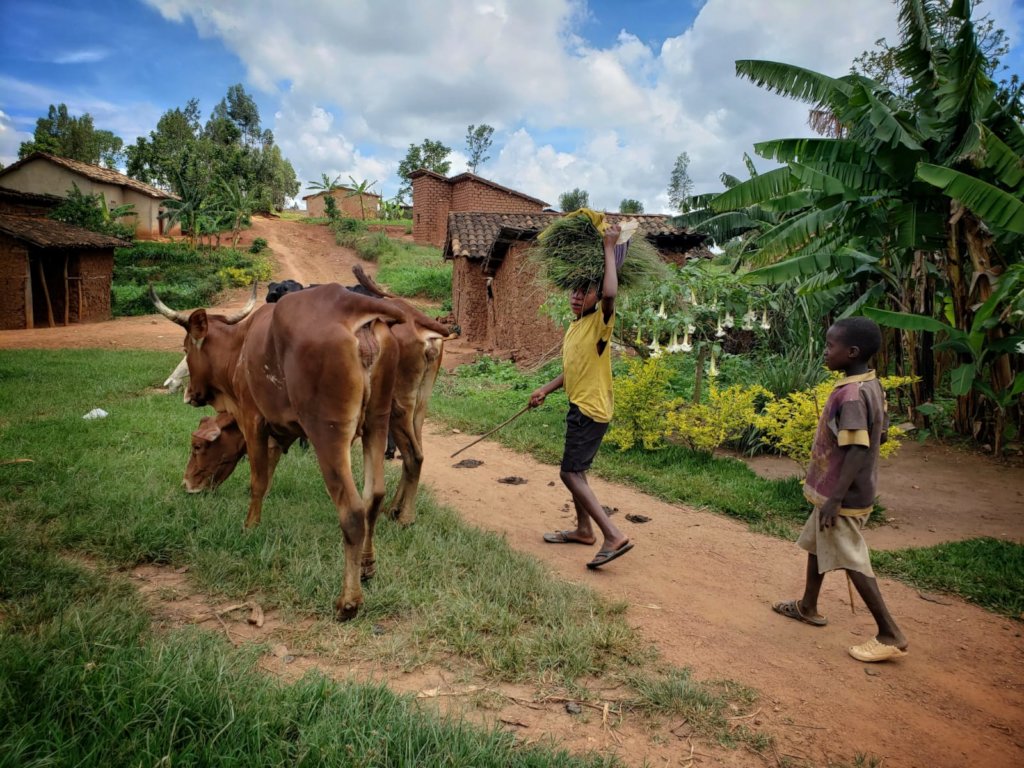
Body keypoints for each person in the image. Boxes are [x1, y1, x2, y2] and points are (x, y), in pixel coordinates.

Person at [772, 317, 908, 662]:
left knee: (852, 559)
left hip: (843, 496)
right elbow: (882, 433)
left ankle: (890, 632)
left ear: (852, 352)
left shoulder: (850, 394)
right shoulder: (871, 385)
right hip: (843, 491)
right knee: (819, 544)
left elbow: (858, 448)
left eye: (830, 346)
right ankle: (807, 606)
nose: (825, 352)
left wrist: (835, 497)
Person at [529, 223, 633, 570]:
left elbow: (610, 295)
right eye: (573, 291)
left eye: (584, 291)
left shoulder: (601, 320)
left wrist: (609, 247)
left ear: (594, 297)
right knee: (578, 472)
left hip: (591, 410)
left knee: (570, 473)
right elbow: (573, 369)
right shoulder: (575, 326)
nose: (576, 296)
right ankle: (584, 530)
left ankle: (613, 535)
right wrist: (546, 388)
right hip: (580, 406)